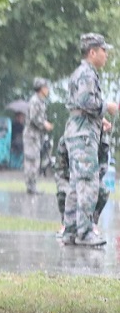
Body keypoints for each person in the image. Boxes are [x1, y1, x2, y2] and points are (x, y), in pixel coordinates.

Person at [59, 34, 116, 247]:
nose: (106, 55)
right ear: (92, 52)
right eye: (103, 50)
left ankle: (71, 231)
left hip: (80, 130)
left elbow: (80, 107)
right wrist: (107, 107)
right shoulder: (87, 73)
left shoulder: (83, 72)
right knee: (88, 183)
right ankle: (84, 232)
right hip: (83, 136)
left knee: (76, 184)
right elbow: (86, 101)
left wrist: (99, 121)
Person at [24, 78, 53, 194]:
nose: (48, 90)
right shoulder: (35, 101)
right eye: (46, 87)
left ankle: (32, 185)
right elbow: (34, 117)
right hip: (31, 136)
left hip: (36, 136)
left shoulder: (40, 101)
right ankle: (31, 186)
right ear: (41, 89)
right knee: (32, 160)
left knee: (35, 160)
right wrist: (44, 124)